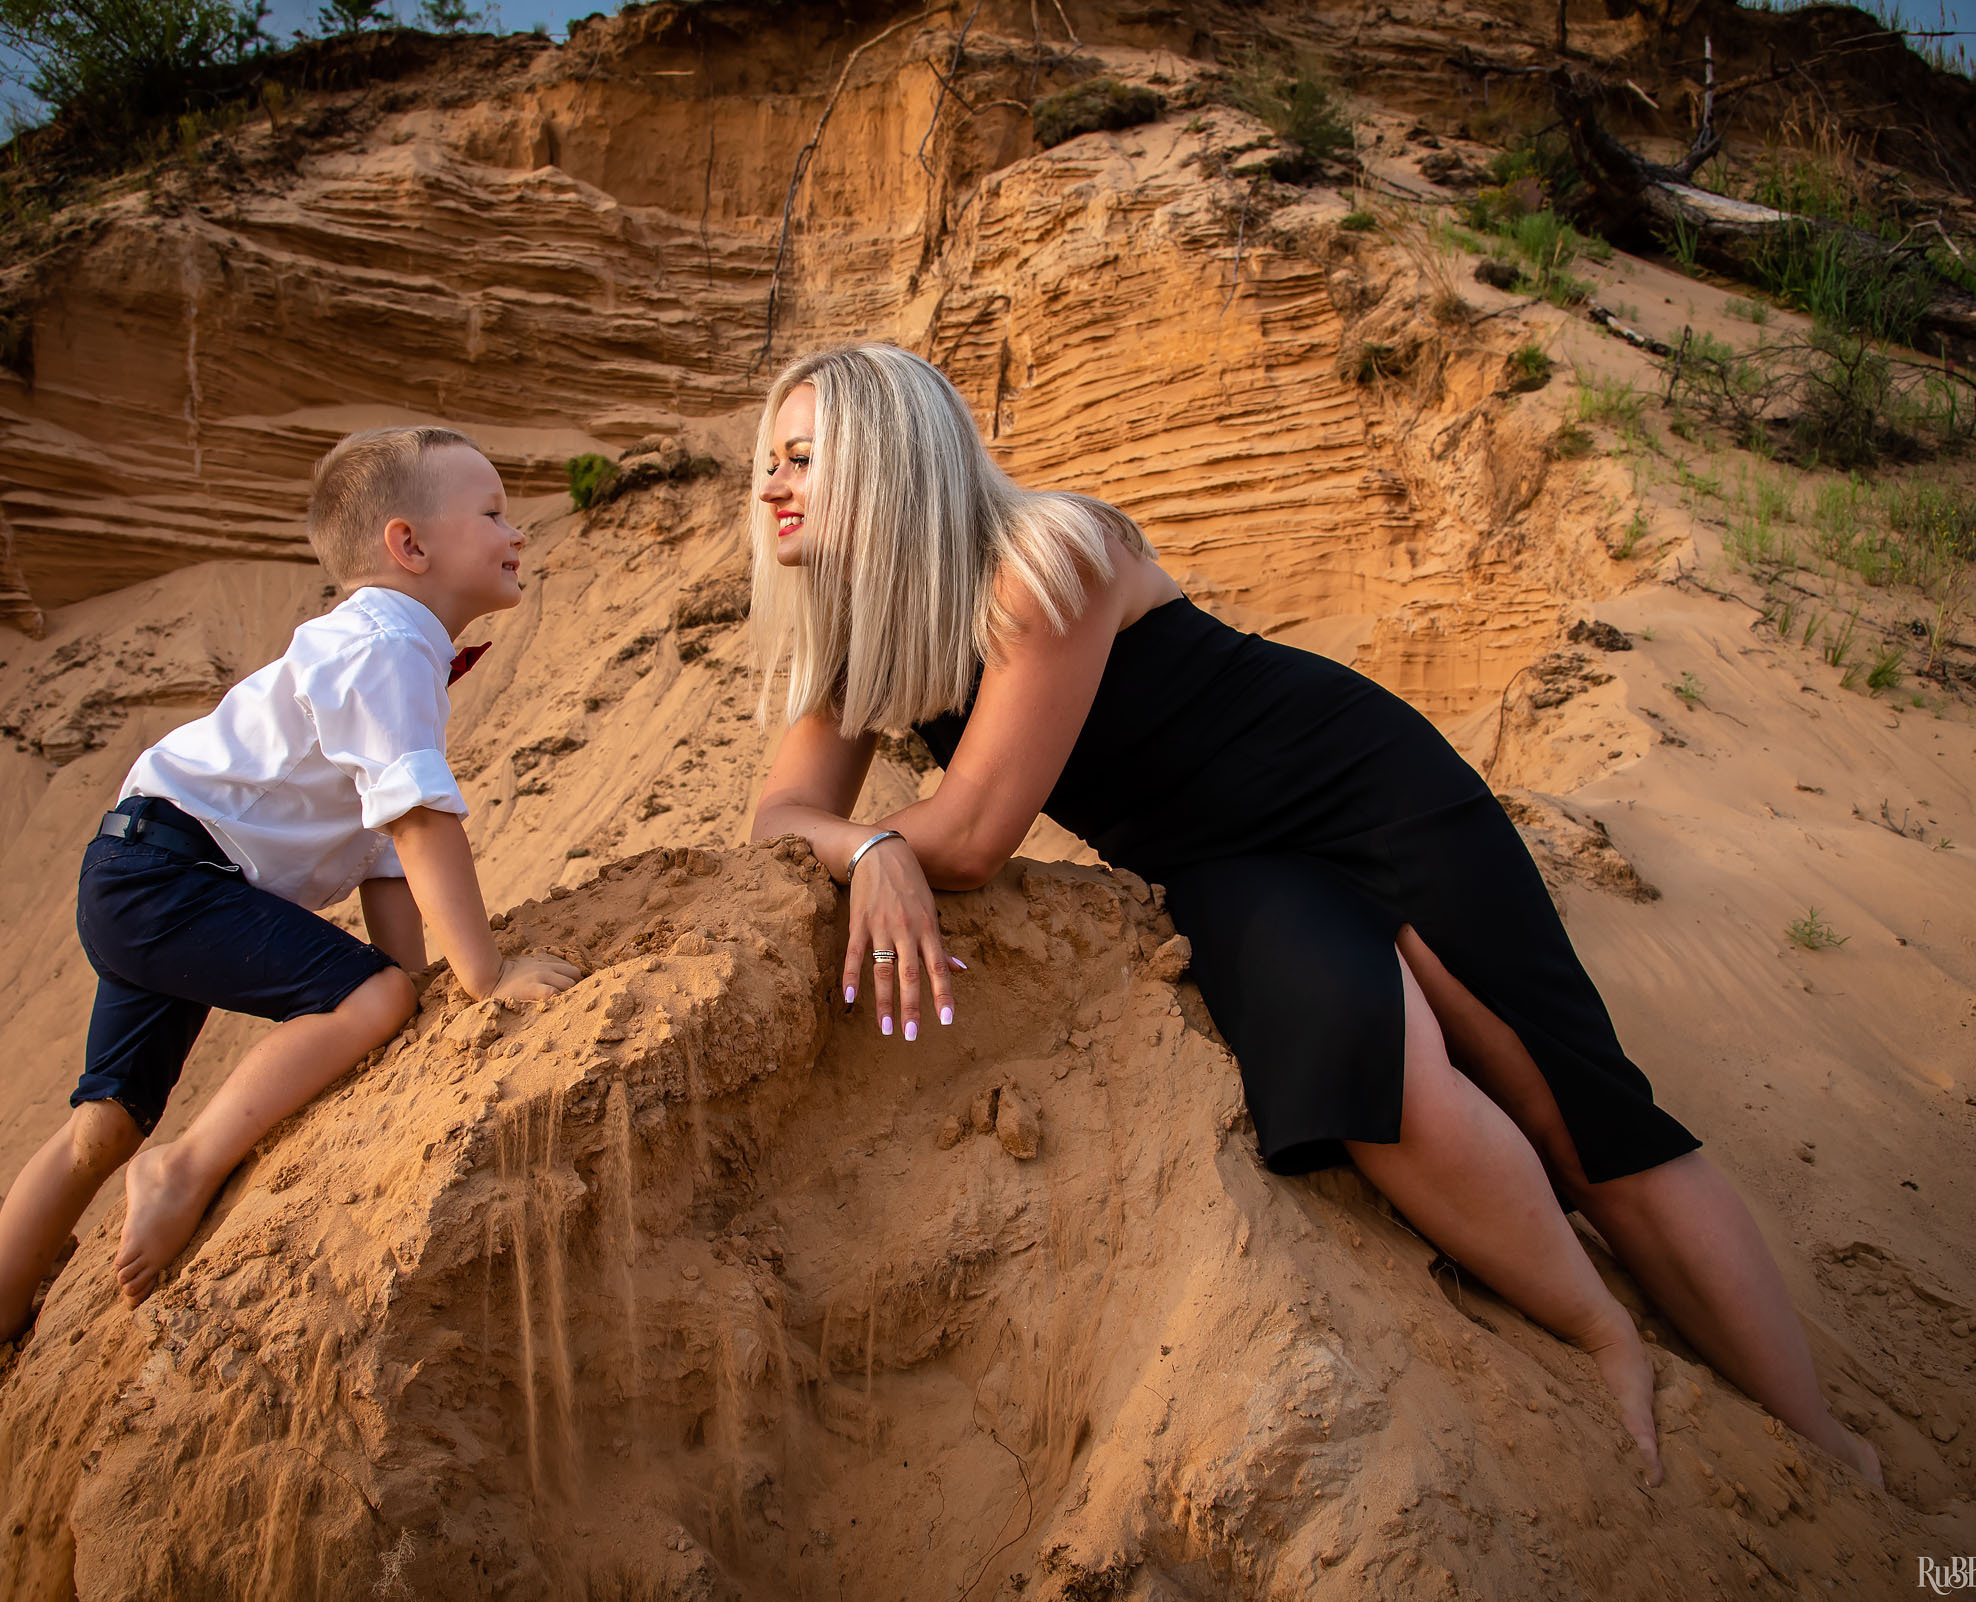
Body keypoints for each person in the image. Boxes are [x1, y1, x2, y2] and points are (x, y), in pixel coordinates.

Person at [742, 343, 1882, 1489]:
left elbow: (977, 836)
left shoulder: (1046, 558)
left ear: (889, 462)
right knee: (1355, 1056)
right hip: (1220, 866)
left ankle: (1833, 1447)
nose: (772, 486)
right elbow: (780, 818)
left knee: (1570, 1107)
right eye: (770, 463)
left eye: (802, 458)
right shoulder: (859, 645)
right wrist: (869, 843)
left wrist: (887, 840)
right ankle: (1603, 1331)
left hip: (1358, 788)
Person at [0, 426, 581, 1356]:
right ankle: (185, 1170)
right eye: (491, 513)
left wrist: (411, 982)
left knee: (106, 1117)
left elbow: (379, 851)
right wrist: (480, 977)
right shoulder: (388, 644)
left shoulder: (371, 647)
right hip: (172, 874)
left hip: (134, 867)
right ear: (409, 547)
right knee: (370, 995)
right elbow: (416, 819)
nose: (516, 532)